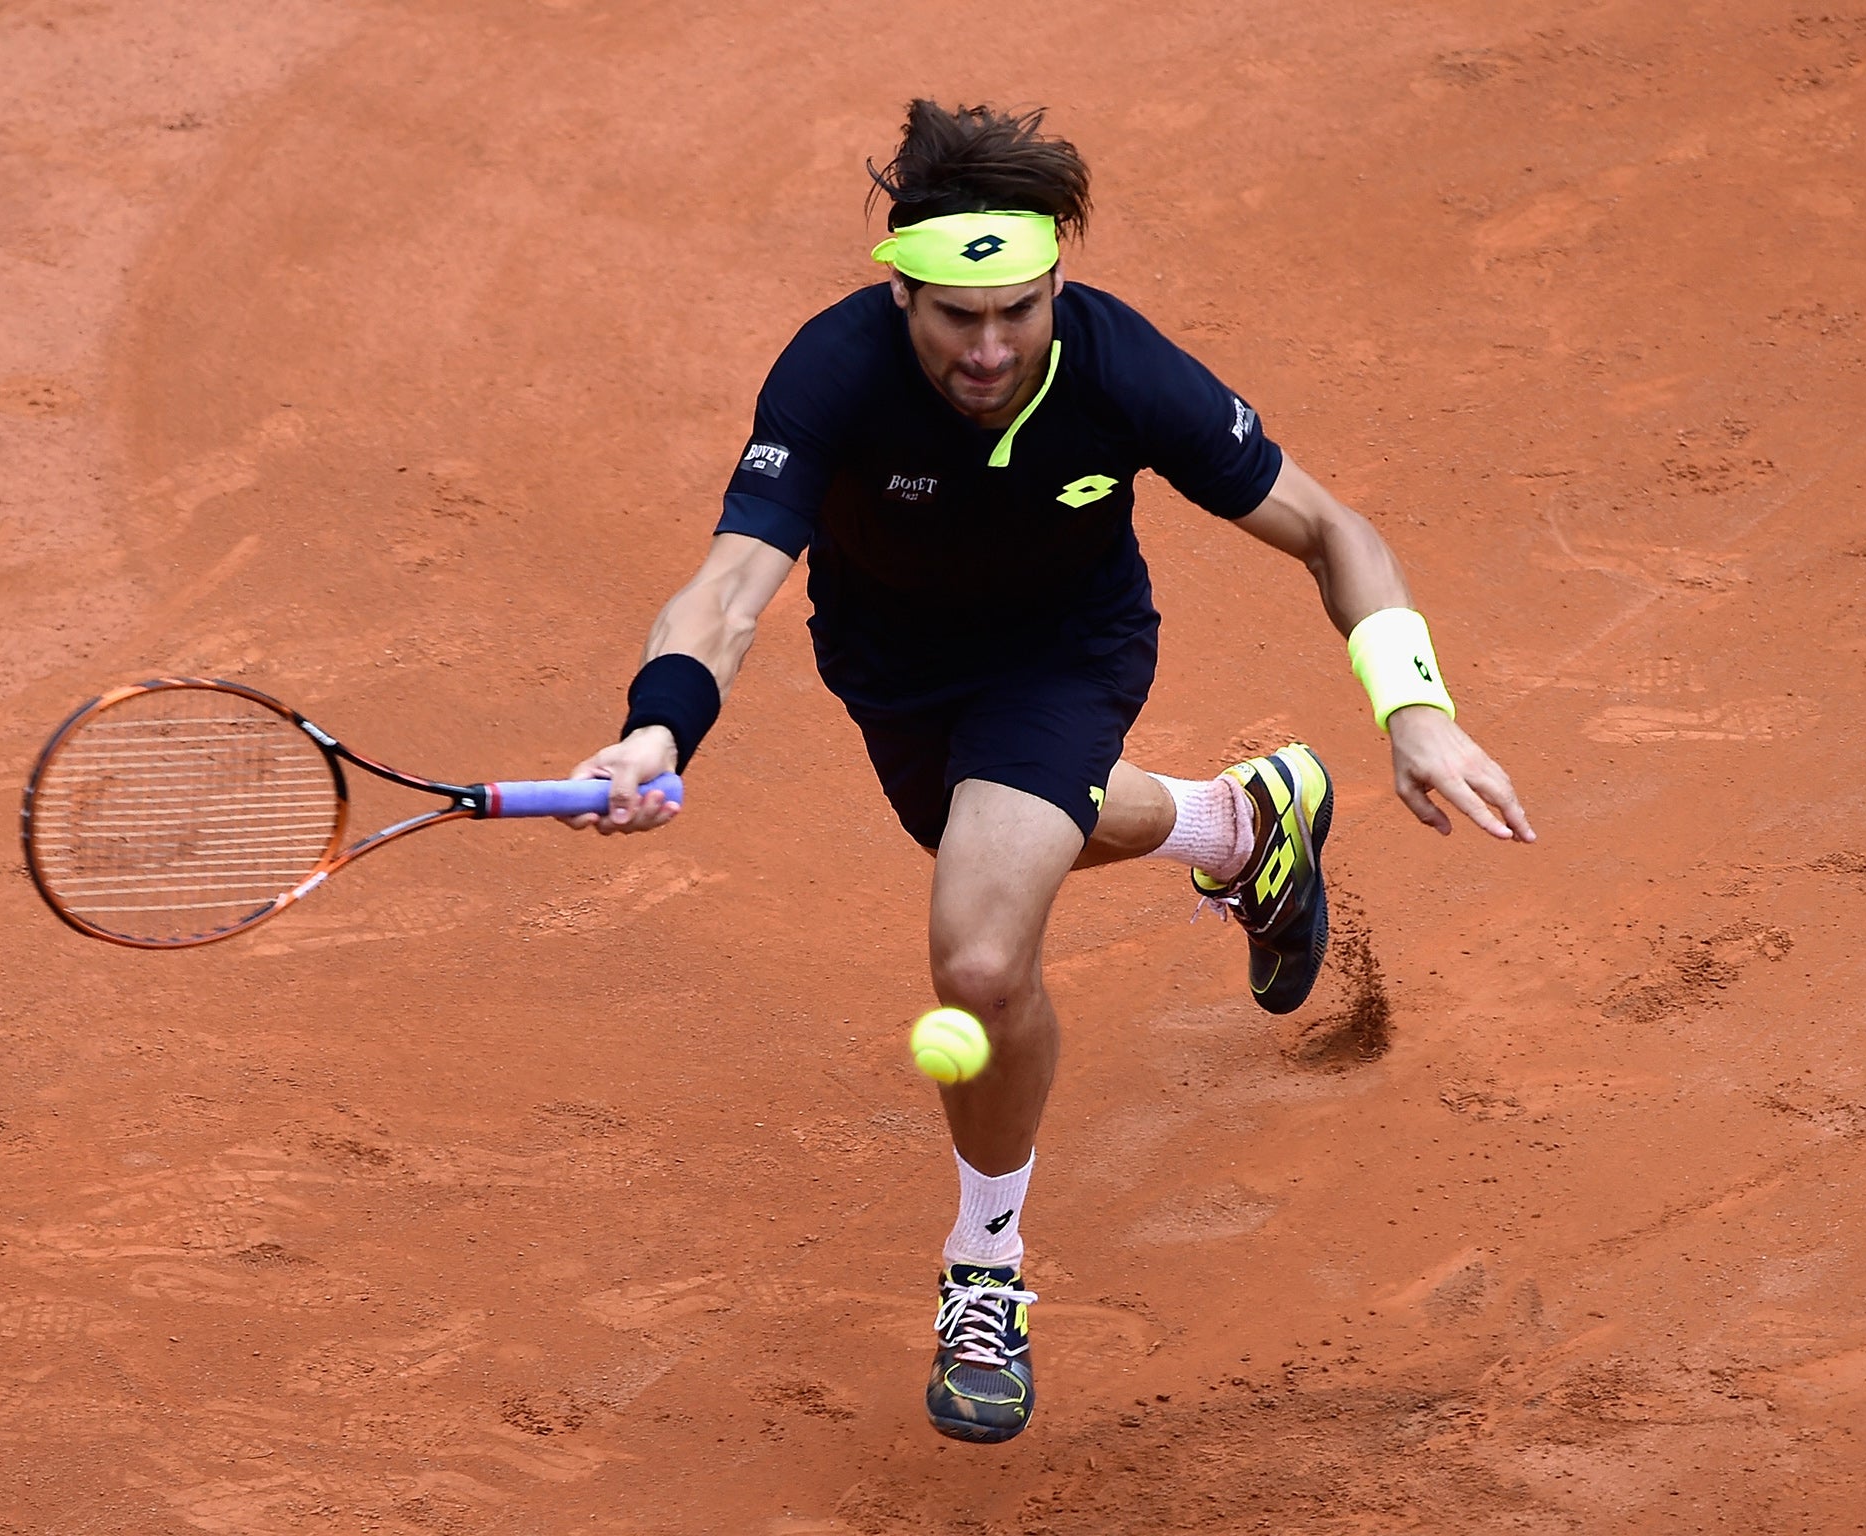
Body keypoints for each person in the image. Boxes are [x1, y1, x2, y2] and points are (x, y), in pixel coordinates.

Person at [563, 100, 1534, 1445]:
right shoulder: (831, 375)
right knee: (1014, 834)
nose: (990, 346)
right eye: (956, 315)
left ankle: (987, 1269)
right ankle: (1243, 823)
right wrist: (659, 727)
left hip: (1065, 658)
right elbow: (730, 589)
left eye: (1018, 309)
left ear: (1054, 287)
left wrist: (1413, 711)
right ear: (899, 289)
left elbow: (1330, 527)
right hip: (892, 668)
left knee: (978, 954)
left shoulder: (1119, 365)